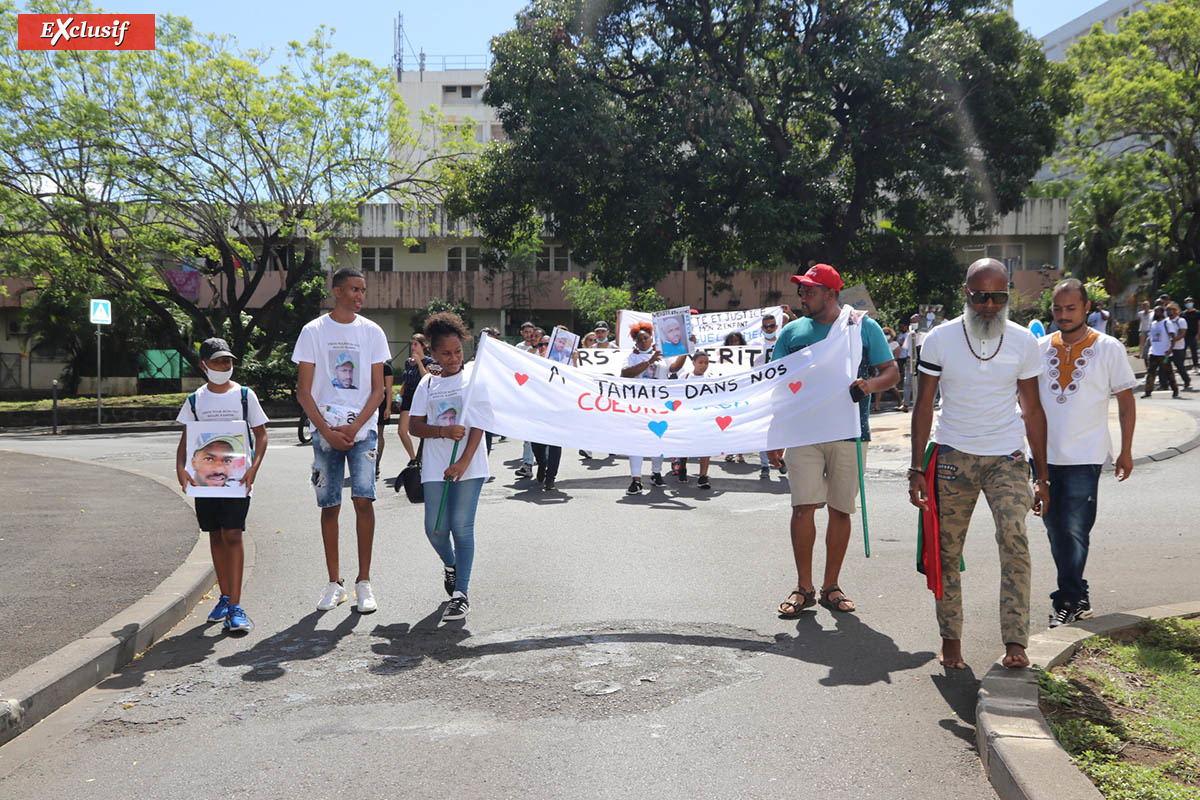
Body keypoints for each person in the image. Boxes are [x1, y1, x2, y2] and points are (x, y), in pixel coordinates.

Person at [908, 258, 1048, 671]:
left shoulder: (1024, 342)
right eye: (981, 296)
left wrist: (1044, 476)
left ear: (1008, 296)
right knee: (947, 552)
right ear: (965, 294)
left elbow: (1034, 410)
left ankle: (1015, 640)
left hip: (1007, 457)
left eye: (999, 296)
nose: (990, 304)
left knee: (1015, 541)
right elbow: (922, 404)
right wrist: (917, 468)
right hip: (953, 457)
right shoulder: (940, 339)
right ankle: (951, 639)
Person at [766, 264, 898, 619]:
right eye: (801, 290)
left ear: (831, 293)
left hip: (850, 433)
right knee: (803, 507)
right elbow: (775, 385)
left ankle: (831, 586)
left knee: (841, 509)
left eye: (809, 290)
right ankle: (803, 588)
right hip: (803, 434)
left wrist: (869, 385)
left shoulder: (861, 327)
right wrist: (773, 433)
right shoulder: (791, 332)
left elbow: (891, 372)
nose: (802, 296)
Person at [1037, 279, 1137, 628]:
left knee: (1075, 530)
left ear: (1087, 308)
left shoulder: (1109, 348)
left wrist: (1126, 450)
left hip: (1086, 455)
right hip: (1044, 457)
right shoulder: (1039, 348)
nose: (1063, 315)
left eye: (1071, 308)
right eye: (1058, 309)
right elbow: (1027, 403)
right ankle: (1078, 595)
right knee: (1054, 529)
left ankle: (1066, 599)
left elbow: (1126, 401)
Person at [293, 267, 391, 615]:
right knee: (329, 504)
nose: (360, 295)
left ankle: (364, 581)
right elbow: (304, 391)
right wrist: (327, 431)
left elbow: (379, 390)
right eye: (353, 289)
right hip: (324, 430)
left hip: (362, 431)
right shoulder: (313, 331)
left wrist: (353, 429)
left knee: (364, 500)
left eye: (363, 289)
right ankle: (334, 582)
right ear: (336, 291)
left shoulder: (373, 332)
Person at [175, 337, 269, 635]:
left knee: (233, 533)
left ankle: (236, 607)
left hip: (238, 481)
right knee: (215, 534)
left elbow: (262, 435)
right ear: (204, 365)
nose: (224, 366)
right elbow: (186, 441)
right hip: (205, 484)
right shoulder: (195, 401)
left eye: (227, 361)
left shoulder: (244, 396)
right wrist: (181, 469)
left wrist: (253, 468)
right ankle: (225, 596)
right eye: (217, 362)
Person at [407, 312, 489, 622]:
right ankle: (451, 564)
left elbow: (481, 422)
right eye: (446, 353)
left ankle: (461, 594)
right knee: (436, 530)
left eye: (458, 351)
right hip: (435, 465)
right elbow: (415, 425)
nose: (454, 358)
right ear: (433, 353)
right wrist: (442, 431)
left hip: (469, 462)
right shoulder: (427, 384)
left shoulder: (474, 378)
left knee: (461, 526)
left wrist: (465, 460)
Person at [621, 321, 687, 493]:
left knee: (659, 438)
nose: (643, 341)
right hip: (639, 405)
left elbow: (675, 368)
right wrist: (648, 361)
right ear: (635, 342)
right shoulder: (632, 357)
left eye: (645, 338)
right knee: (637, 442)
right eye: (639, 339)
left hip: (659, 404)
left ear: (652, 338)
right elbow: (625, 373)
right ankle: (636, 479)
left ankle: (656, 473)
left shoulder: (663, 354)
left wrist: (685, 350)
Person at [676, 351, 714, 489]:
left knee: (706, 446)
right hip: (687, 417)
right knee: (685, 445)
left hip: (705, 417)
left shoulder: (711, 378)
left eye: (706, 363)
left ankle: (703, 476)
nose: (703, 366)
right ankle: (682, 467)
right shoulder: (684, 377)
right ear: (693, 363)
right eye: (701, 362)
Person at [396, 334, 434, 465]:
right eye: (412, 344)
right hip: (408, 396)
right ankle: (413, 458)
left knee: (421, 430)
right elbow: (405, 380)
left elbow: (426, 377)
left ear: (424, 346)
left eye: (416, 344)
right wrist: (400, 396)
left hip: (421, 397)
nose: (413, 347)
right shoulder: (408, 362)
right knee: (402, 431)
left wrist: (418, 361)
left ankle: (422, 458)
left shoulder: (429, 361)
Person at [1143, 305, 1179, 398]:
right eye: (1155, 311)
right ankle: (1147, 391)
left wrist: (1170, 349)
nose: (1156, 313)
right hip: (1153, 352)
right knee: (1151, 373)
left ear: (1162, 312)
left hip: (1164, 353)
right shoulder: (1153, 323)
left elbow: (1173, 337)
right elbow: (1150, 338)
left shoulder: (1167, 322)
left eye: (1158, 311)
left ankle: (1175, 390)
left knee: (1169, 373)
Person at [375, 360, 394, 479]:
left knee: (379, 434)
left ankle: (376, 463)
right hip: (366, 401)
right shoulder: (367, 363)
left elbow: (389, 389)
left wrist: (388, 408)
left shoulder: (386, 367)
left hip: (381, 402)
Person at [1166, 303, 1192, 390]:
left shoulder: (1181, 321)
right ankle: (1166, 384)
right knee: (1165, 365)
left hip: (1178, 348)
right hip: (1167, 348)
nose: (1169, 311)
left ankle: (1186, 380)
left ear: (1176, 310)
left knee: (1179, 366)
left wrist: (1174, 340)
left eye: (1171, 309)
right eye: (1167, 310)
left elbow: (1183, 333)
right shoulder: (1166, 321)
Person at [1183, 297, 1200, 372]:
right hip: (1184, 334)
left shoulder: (1197, 313)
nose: (1188, 303)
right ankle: (1181, 365)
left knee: (1194, 351)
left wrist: (1198, 334)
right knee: (1183, 351)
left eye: (1190, 302)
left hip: (1194, 334)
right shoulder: (1183, 314)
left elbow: (1199, 324)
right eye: (1187, 302)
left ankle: (1196, 366)